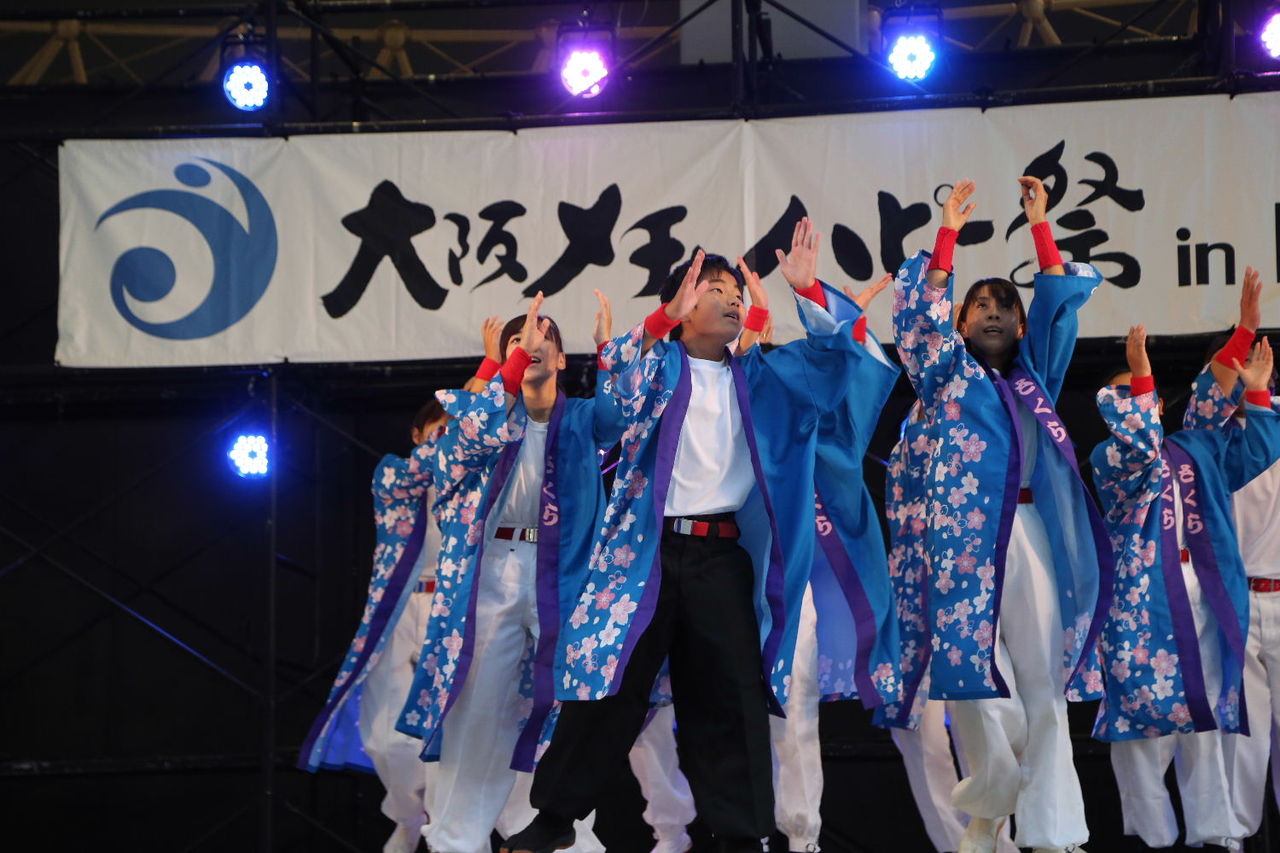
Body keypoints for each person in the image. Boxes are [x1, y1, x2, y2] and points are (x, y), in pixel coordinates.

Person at [503, 241, 864, 853]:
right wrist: (657, 322)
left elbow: (832, 369)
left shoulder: (763, 376)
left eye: (736, 293)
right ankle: (557, 814)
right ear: (682, 307)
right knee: (609, 684)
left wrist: (807, 291)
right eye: (713, 290)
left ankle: (743, 835)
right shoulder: (656, 366)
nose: (730, 300)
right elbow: (614, 398)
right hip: (643, 554)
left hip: (719, 556)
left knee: (731, 697)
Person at [892, 177, 1111, 853]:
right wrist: (947, 235)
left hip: (1028, 530)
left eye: (1004, 306)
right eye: (979, 305)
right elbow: (918, 323)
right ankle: (992, 803)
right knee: (973, 677)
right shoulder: (944, 374)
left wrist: (1040, 225)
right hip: (961, 541)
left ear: (1019, 325)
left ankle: (1050, 832)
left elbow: (1057, 306)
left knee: (1043, 684)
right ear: (960, 323)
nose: (992, 313)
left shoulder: (1035, 374)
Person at [396, 294, 620, 853]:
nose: (533, 343)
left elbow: (623, 416)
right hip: (494, 572)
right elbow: (454, 451)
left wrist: (608, 351)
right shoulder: (489, 421)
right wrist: (503, 368)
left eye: (545, 338)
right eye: (520, 340)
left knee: (571, 711)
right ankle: (456, 840)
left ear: (562, 359)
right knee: (477, 711)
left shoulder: (583, 417)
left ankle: (570, 836)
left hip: (563, 575)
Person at [1090, 317, 1279, 850]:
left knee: (1205, 713)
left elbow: (1253, 452)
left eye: (1143, 392)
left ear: (1159, 404)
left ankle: (1215, 833)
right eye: (1124, 394)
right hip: (1140, 603)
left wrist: (1255, 389)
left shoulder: (1193, 449)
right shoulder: (1110, 458)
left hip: (1202, 590)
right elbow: (1141, 450)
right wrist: (1141, 373)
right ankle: (1153, 838)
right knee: (1140, 723)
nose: (1136, 400)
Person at [298, 399, 447, 853]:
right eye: (439, 428)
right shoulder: (392, 473)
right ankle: (407, 813)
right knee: (385, 740)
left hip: (454, 611)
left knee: (447, 734)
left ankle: (441, 824)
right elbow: (420, 469)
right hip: (398, 611)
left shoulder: (474, 483)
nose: (448, 436)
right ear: (417, 436)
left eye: (455, 428)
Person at [876, 401, 1017, 853]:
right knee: (925, 742)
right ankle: (958, 845)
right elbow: (917, 454)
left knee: (989, 734)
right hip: (912, 612)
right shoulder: (910, 447)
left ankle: (997, 840)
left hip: (971, 610)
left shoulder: (985, 435)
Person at [1175, 270, 1280, 845]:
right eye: (1228, 370)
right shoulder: (1201, 442)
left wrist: (1259, 393)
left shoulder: (1269, 426)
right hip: (1233, 603)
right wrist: (1243, 332)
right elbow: (1210, 397)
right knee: (1243, 737)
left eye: (1249, 366)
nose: (1236, 377)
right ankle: (1231, 838)